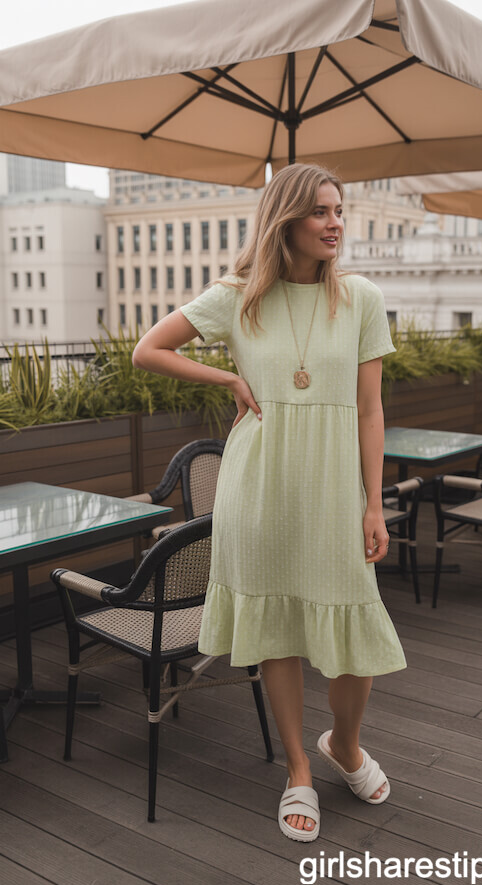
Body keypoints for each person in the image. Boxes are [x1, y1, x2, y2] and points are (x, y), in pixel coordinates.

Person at [132, 163, 406, 842]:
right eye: (320, 212)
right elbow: (149, 350)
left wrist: (374, 505)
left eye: (339, 210)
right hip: (258, 486)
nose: (335, 222)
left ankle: (343, 745)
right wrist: (225, 374)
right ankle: (298, 771)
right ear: (287, 220)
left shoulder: (363, 298)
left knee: (354, 641)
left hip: (335, 490)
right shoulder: (238, 297)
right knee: (279, 631)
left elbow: (370, 411)